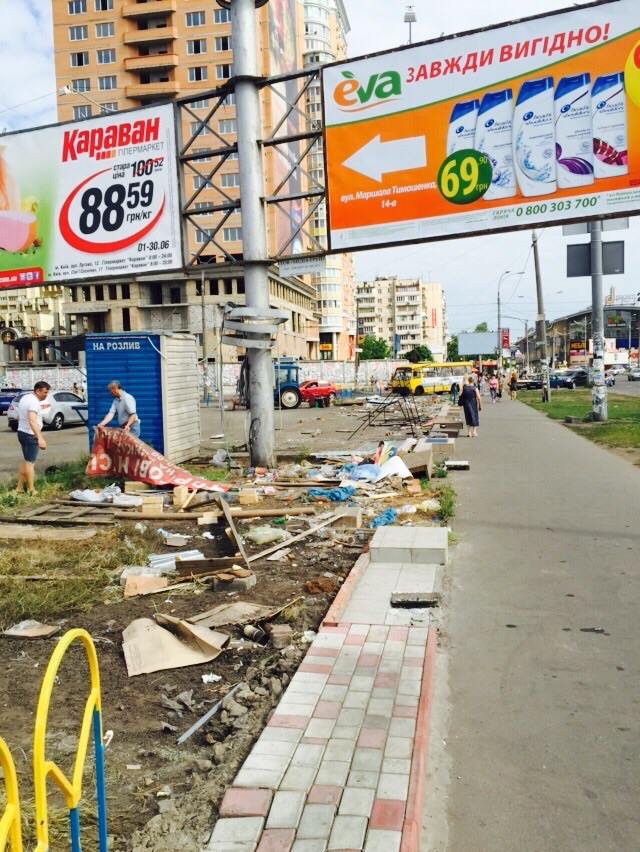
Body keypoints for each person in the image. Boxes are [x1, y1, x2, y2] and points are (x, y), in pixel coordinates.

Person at [15, 381, 50, 495]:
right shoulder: (34, 402)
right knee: (30, 463)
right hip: (30, 435)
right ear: (37, 390)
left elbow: (18, 416)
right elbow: (32, 420)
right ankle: (31, 490)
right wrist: (40, 438)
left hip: (21, 432)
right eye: (45, 392)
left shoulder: (25, 397)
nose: (46, 395)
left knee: (26, 461)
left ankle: (19, 488)